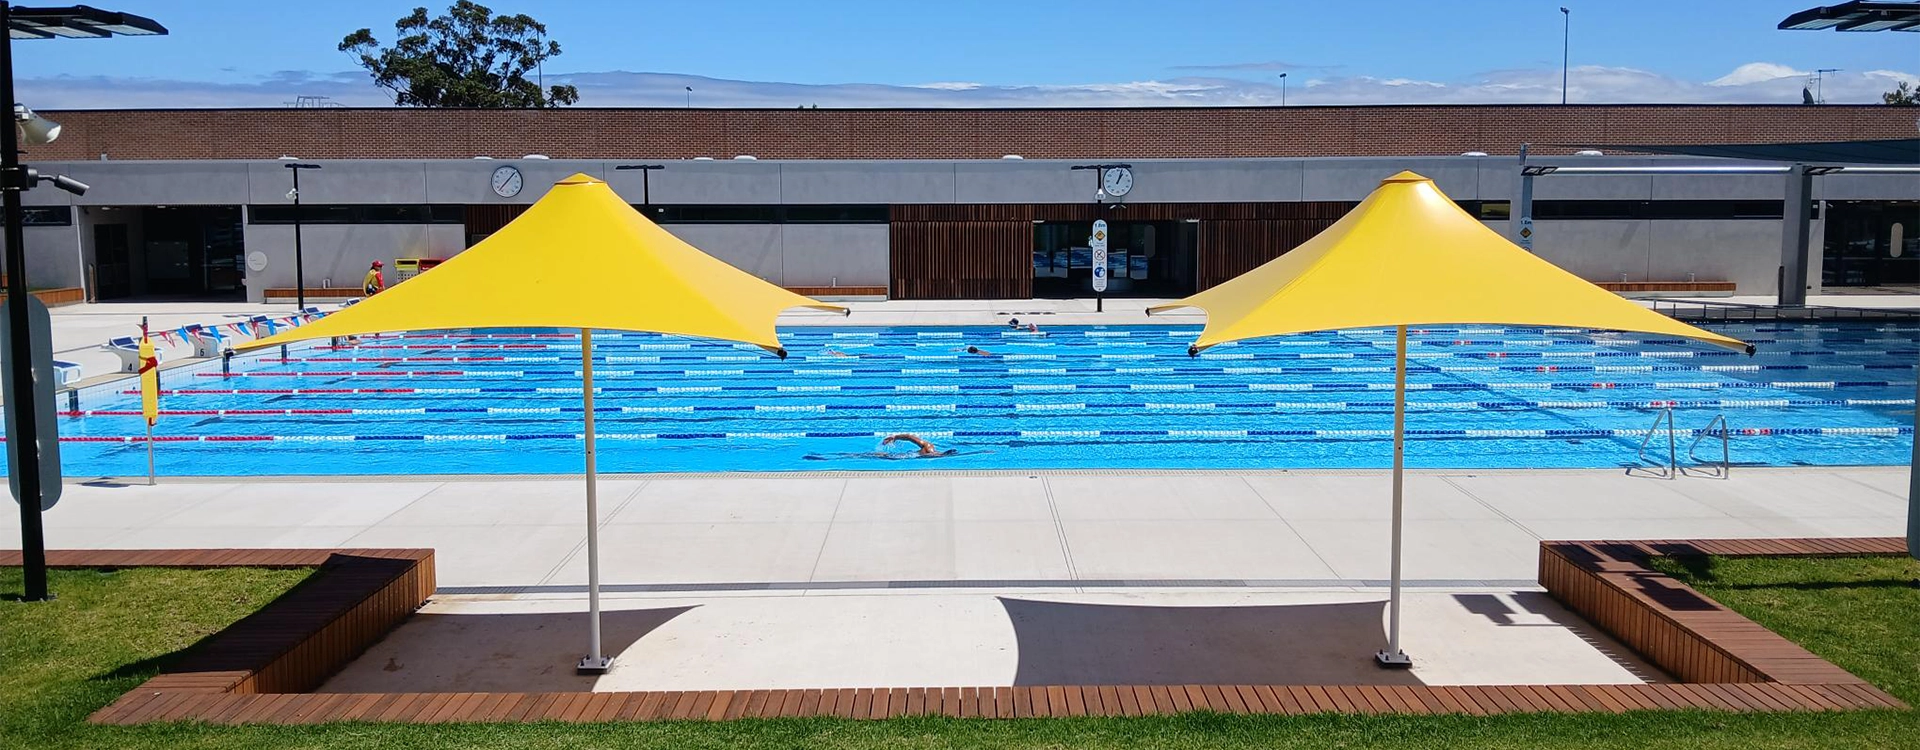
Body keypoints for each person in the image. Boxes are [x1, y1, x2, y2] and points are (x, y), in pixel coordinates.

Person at [881, 433, 956, 457]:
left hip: (905, 456)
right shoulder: (928, 446)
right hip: (902, 456)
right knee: (882, 455)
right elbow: (910, 437)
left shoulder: (931, 455)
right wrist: (895, 437)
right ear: (941, 453)